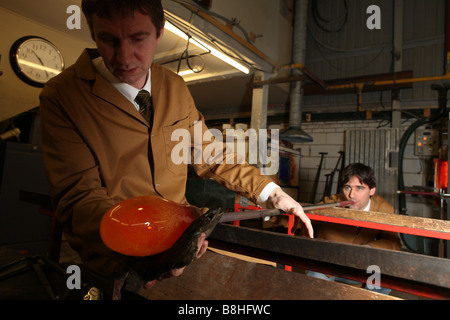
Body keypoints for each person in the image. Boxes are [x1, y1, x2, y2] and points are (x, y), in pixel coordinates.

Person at [39, 0, 313, 299]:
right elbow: (79, 198)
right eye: (109, 40)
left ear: (160, 32)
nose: (124, 56)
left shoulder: (174, 86)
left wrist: (272, 193)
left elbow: (210, 154)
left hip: (184, 248)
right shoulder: (63, 96)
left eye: (138, 39)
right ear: (93, 33)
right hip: (116, 262)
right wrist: (151, 250)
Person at [307, 163, 402, 294]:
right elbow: (302, 216)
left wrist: (370, 248)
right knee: (317, 286)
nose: (351, 195)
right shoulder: (331, 203)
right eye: (347, 187)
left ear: (372, 190)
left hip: (359, 269)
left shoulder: (384, 208)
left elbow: (393, 242)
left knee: (385, 275)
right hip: (327, 265)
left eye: (359, 188)